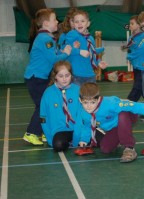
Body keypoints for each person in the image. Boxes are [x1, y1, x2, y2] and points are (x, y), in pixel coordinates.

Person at [23, 8, 72, 146]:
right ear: (45, 23)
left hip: (39, 77)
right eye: (54, 19)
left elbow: (54, 53)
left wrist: (62, 51)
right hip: (35, 78)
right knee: (42, 105)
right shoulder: (45, 39)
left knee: (47, 104)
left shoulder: (47, 38)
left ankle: (43, 131)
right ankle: (31, 133)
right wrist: (67, 52)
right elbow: (54, 60)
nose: (57, 21)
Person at [73, 82, 144, 163]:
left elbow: (130, 105)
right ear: (80, 100)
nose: (89, 106)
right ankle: (119, 136)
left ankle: (129, 148)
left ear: (98, 99)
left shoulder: (110, 103)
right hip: (114, 127)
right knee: (105, 149)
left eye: (92, 102)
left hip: (128, 116)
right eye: (85, 102)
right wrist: (84, 139)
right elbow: (87, 126)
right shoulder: (84, 113)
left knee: (122, 113)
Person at [40, 60, 80, 151]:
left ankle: (75, 140)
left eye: (67, 75)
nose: (64, 79)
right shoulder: (48, 93)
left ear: (71, 75)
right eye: (60, 76)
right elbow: (43, 118)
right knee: (58, 145)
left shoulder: (78, 90)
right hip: (60, 130)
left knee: (100, 140)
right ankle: (71, 142)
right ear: (55, 77)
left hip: (78, 128)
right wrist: (50, 139)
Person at [66, 9, 107, 86]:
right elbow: (66, 50)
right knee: (76, 96)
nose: (79, 24)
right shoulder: (72, 34)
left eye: (82, 21)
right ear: (73, 24)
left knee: (91, 97)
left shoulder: (90, 38)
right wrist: (79, 51)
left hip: (90, 74)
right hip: (76, 74)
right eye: (76, 22)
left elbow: (92, 53)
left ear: (88, 23)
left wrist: (99, 62)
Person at [123, 15, 144, 102]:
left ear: (139, 25)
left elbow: (140, 51)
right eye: (130, 24)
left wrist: (130, 56)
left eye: (132, 24)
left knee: (138, 87)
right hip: (136, 66)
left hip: (143, 66)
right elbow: (131, 49)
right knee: (142, 88)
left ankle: (128, 104)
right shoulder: (131, 37)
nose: (130, 26)